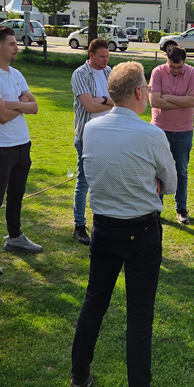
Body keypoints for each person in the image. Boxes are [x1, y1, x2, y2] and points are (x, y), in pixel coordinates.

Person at [68, 61, 180, 387]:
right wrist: (151, 183)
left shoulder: (92, 129)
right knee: (139, 315)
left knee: (94, 302)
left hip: (104, 227)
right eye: (146, 88)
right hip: (140, 230)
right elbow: (170, 183)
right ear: (138, 93)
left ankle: (78, 379)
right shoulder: (151, 134)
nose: (148, 93)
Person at [0, 25, 42, 277]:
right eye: (12, 44)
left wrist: (13, 104)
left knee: (16, 195)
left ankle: (15, 237)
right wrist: (20, 104)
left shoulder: (16, 74)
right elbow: (2, 117)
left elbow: (34, 106)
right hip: (2, 148)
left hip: (23, 144)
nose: (17, 47)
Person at [149, 45, 194, 224]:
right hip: (160, 129)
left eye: (179, 67)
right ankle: (156, 208)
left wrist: (167, 97)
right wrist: (183, 101)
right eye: (172, 66)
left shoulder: (192, 73)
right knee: (158, 170)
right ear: (167, 60)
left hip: (184, 130)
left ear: (184, 62)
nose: (175, 70)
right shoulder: (157, 72)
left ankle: (181, 209)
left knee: (181, 171)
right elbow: (154, 101)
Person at [71, 38, 114, 245]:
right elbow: (89, 106)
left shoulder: (109, 72)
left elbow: (119, 101)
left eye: (107, 56)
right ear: (91, 55)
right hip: (87, 137)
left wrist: (102, 100)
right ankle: (79, 226)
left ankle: (105, 223)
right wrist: (107, 101)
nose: (106, 60)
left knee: (107, 179)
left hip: (109, 135)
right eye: (102, 56)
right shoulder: (80, 74)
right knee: (84, 181)